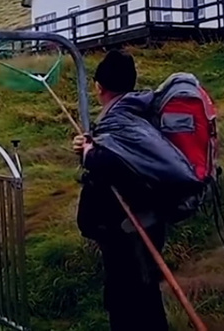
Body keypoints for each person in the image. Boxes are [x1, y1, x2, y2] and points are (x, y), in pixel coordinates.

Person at [72, 50, 168, 331]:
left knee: (129, 301)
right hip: (148, 223)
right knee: (146, 293)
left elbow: (116, 167)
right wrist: (88, 149)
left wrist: (91, 155)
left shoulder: (118, 121)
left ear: (99, 87)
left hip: (127, 230)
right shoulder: (141, 115)